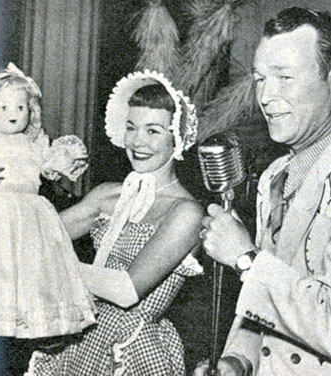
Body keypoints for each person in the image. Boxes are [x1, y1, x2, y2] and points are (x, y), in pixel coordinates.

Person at [195, 7, 331, 376]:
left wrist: (245, 259)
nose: (266, 96)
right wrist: (239, 360)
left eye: (284, 77)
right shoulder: (276, 174)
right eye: (260, 79)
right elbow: (264, 310)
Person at [26, 69, 203, 375]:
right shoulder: (107, 195)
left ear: (177, 137)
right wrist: (28, 169)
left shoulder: (186, 212)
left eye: (153, 131)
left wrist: (51, 264)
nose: (137, 141)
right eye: (131, 127)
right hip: (80, 337)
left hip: (133, 350)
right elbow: (33, 236)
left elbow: (125, 290)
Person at [0, 63, 97, 374]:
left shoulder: (36, 144)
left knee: (29, 284)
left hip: (30, 222)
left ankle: (22, 348)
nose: (13, 113)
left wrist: (65, 158)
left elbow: (56, 167)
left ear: (31, 109)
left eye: (20, 106)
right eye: (3, 107)